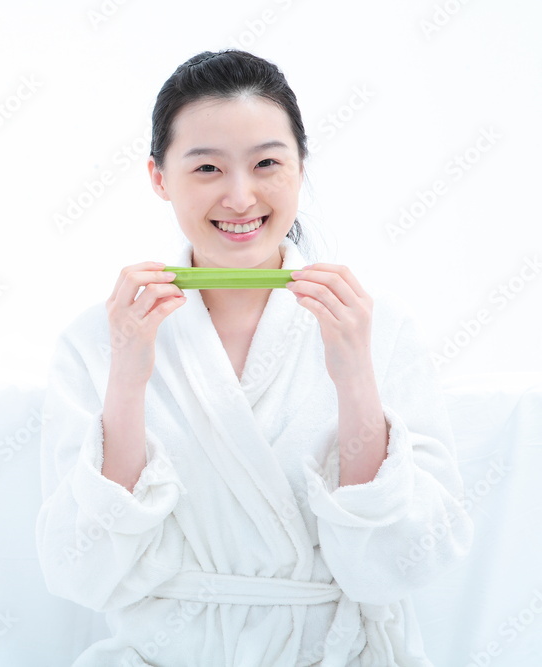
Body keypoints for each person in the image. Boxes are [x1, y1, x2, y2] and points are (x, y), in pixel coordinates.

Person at [35, 49, 474, 666]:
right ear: (159, 178)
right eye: (207, 168)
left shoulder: (377, 330)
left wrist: (354, 379)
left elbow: (400, 565)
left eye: (266, 163)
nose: (240, 197)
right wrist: (127, 381)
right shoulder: (97, 340)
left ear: (300, 167)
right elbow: (81, 572)